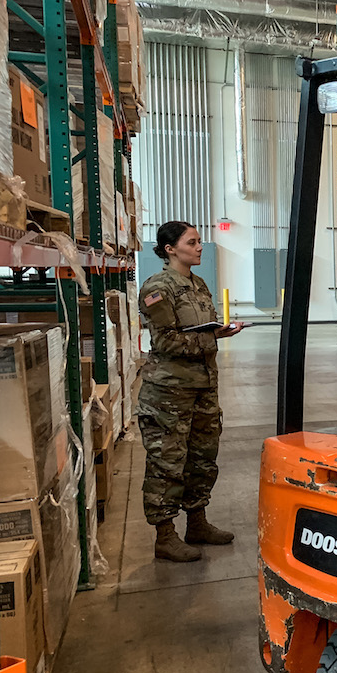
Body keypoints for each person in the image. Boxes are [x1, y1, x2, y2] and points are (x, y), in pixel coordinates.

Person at [137, 221, 247, 562]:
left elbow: (202, 329)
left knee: (202, 457)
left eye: (200, 242)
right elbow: (166, 340)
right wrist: (211, 336)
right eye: (192, 242)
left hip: (203, 388)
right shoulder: (157, 287)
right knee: (167, 462)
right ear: (171, 248)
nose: (200, 247)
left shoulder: (197, 285)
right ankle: (165, 535)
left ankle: (196, 522)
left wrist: (221, 332)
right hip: (169, 393)